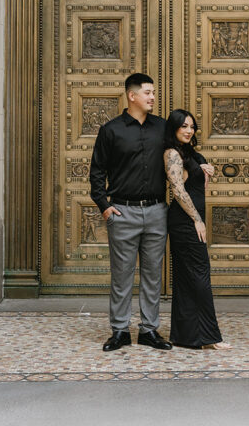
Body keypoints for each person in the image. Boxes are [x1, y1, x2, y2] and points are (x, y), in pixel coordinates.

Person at [89, 72, 173, 353]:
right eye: (147, 92)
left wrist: (201, 165)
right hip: (122, 212)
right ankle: (120, 331)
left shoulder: (162, 127)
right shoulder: (111, 130)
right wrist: (105, 206)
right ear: (132, 96)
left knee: (152, 275)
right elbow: (97, 171)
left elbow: (182, 153)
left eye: (153, 92)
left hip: (157, 211)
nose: (152, 97)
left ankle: (149, 330)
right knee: (122, 274)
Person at [164, 109, 231, 349]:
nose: (188, 130)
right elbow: (177, 190)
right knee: (199, 275)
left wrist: (206, 170)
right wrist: (197, 219)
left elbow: (197, 187)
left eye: (191, 126)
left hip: (191, 219)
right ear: (174, 128)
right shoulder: (172, 153)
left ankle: (186, 336)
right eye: (183, 126)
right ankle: (210, 337)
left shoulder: (192, 154)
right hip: (185, 221)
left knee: (187, 276)